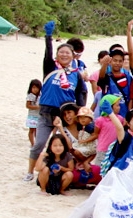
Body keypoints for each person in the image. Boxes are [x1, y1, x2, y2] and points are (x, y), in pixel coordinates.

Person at [29, 21, 87, 180]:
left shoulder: (75, 73)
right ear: (57, 54)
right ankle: (29, 171)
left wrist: (81, 112)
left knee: (66, 147)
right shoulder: (50, 67)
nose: (64, 55)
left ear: (73, 56)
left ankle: (66, 173)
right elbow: (47, 53)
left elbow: (81, 92)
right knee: (39, 145)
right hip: (47, 113)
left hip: (65, 116)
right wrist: (48, 36)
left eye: (67, 53)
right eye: (61, 52)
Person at [25, 79, 41, 146]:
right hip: (32, 116)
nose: (35, 89)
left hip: (38, 116)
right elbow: (27, 106)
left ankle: (37, 143)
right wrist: (37, 107)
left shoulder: (40, 96)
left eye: (37, 88)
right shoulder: (30, 96)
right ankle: (32, 143)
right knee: (31, 130)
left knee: (37, 131)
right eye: (33, 87)